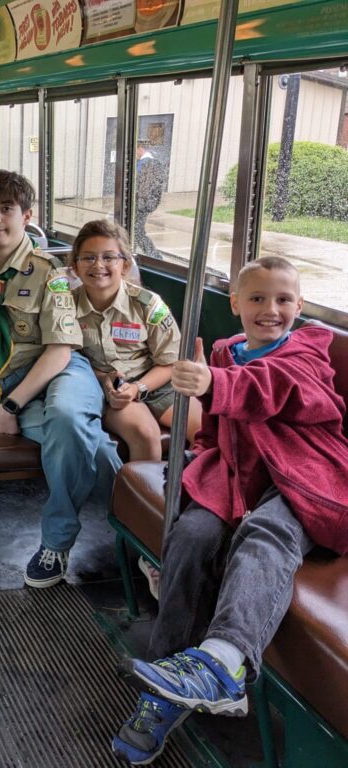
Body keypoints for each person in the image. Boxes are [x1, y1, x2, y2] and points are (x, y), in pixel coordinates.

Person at [112, 256, 348, 765]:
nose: (271, 310)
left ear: (300, 306)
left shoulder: (309, 354)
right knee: (193, 536)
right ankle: (168, 683)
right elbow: (220, 431)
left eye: (284, 300)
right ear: (235, 304)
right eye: (258, 298)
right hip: (238, 475)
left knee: (265, 534)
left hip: (302, 477)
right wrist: (202, 452)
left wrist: (217, 386)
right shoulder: (222, 351)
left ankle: (223, 662)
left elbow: (276, 389)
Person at [0, 171, 121, 588]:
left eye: (6, 210)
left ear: (27, 216)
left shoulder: (48, 272)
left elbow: (60, 349)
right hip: (5, 382)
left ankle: (56, 540)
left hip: (57, 371)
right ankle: (143, 531)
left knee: (69, 417)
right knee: (90, 444)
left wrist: (10, 406)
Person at [71, 219, 201, 461]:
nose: (98, 265)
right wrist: (106, 381)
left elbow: (172, 362)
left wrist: (139, 388)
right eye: (88, 258)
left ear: (125, 265)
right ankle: (142, 498)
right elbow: (64, 359)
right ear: (75, 267)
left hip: (156, 382)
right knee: (145, 433)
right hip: (107, 389)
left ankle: (195, 493)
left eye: (109, 257)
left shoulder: (147, 304)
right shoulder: (65, 307)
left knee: (207, 431)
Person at [134, 142, 166, 260]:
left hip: (140, 204)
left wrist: (141, 204)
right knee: (135, 231)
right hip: (143, 203)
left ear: (140, 148)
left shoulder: (145, 163)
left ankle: (155, 257)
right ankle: (132, 251)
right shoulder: (153, 162)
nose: (135, 154)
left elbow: (139, 185)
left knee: (137, 231)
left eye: (135, 150)